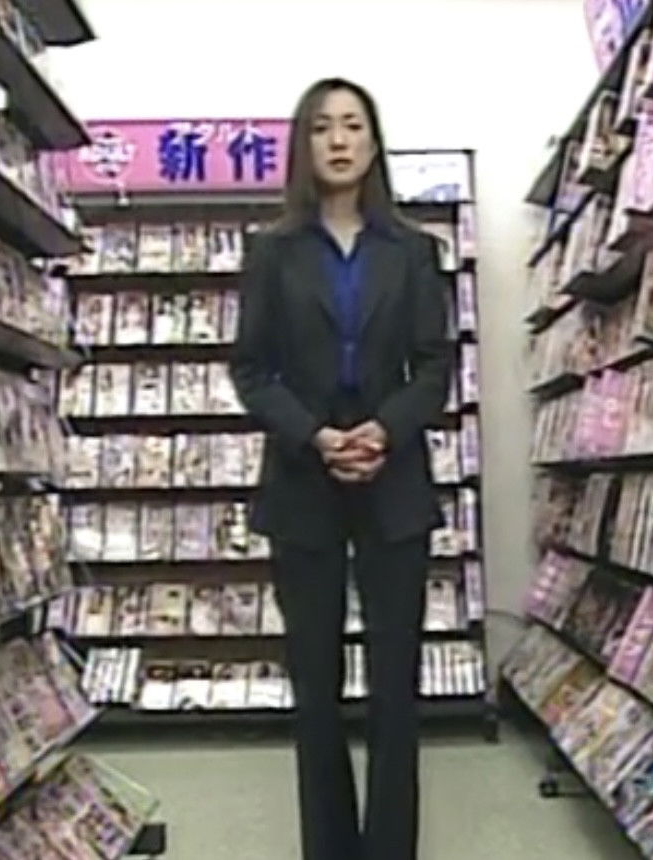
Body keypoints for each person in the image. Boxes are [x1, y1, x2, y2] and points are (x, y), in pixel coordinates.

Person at [230, 77, 451, 860]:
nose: (338, 139)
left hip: (395, 483)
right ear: (304, 143)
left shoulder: (414, 250)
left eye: (353, 125)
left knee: (396, 689)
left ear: (373, 142)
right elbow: (251, 370)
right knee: (314, 691)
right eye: (323, 126)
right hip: (302, 483)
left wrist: (383, 432)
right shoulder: (271, 252)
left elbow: (434, 366)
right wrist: (317, 438)